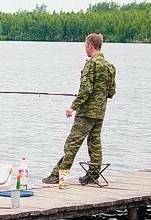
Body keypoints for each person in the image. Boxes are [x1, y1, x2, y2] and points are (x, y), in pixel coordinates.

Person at [42, 33, 117, 186]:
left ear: (90, 46)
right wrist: (99, 97)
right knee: (94, 142)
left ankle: (59, 175)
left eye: (85, 46)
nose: (85, 49)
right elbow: (111, 91)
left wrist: (73, 107)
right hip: (100, 112)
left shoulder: (92, 64)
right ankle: (93, 174)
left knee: (72, 144)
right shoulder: (109, 66)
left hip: (86, 113)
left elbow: (86, 89)